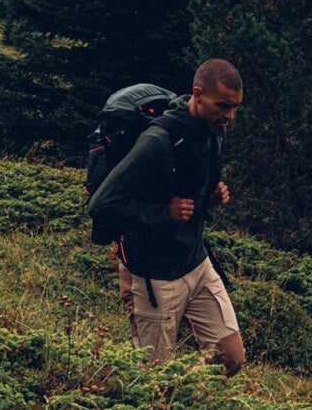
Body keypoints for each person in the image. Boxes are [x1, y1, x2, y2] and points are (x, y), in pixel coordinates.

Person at [88, 58, 246, 376]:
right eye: (222, 105)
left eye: (235, 107)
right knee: (154, 377)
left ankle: (184, 390)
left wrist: (212, 196)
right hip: (152, 275)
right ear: (197, 95)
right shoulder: (157, 140)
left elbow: (188, 188)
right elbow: (101, 204)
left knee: (230, 357)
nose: (229, 116)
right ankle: (127, 385)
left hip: (197, 264)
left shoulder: (213, 130)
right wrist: (164, 212)